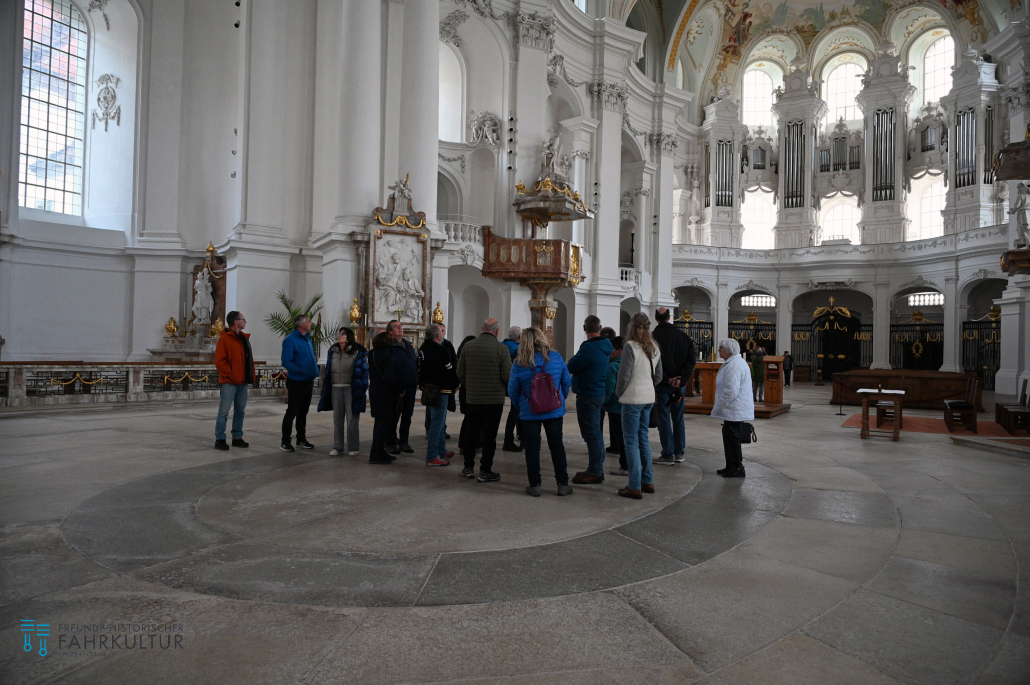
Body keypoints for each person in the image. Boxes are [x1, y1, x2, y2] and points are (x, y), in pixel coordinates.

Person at [508, 327, 573, 497]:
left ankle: (535, 485)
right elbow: (566, 382)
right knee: (557, 446)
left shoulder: (519, 362)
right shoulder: (556, 357)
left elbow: (513, 390)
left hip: (530, 411)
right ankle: (563, 484)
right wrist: (558, 399)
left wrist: (521, 406)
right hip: (554, 410)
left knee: (532, 448)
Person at [456, 318, 512, 482]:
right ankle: (485, 471)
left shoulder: (468, 346)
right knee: (489, 436)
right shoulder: (502, 349)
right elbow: (507, 376)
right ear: (497, 331)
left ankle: (468, 468)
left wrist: (471, 386)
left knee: (471, 433)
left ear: (482, 328)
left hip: (473, 398)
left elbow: (460, 373)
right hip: (494, 400)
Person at [615, 313, 663, 500]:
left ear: (632, 328)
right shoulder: (655, 347)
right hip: (648, 399)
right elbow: (658, 376)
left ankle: (634, 486)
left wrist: (619, 393)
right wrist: (647, 387)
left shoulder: (630, 346)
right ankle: (648, 481)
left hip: (632, 400)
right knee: (643, 438)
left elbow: (624, 375)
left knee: (630, 441)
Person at [568, 315, 613, 485]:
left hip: (588, 393)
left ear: (584, 328)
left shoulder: (590, 348)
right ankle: (595, 468)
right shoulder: (605, 345)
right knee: (594, 432)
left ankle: (595, 471)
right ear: (600, 328)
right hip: (597, 391)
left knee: (592, 433)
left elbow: (571, 366)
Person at [651, 307, 696, 465]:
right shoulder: (683, 337)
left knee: (663, 418)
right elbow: (691, 360)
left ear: (656, 318)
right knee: (678, 418)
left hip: (662, 385)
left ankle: (667, 454)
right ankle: (679, 453)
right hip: (678, 386)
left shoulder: (652, 338)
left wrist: (667, 379)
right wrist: (681, 379)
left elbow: (652, 363)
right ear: (669, 317)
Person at [316, 327, 368, 456]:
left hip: (351, 389)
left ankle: (353, 447)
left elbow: (363, 371)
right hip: (336, 388)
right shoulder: (333, 351)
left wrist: (362, 387)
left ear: (348, 337)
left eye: (342, 334)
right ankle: (337, 447)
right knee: (337, 420)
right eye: (339, 333)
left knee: (352, 420)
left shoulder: (356, 352)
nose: (339, 335)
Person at [712, 338, 754, 478]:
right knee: (729, 437)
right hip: (733, 407)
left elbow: (731, 390)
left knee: (733, 438)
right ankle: (731, 465)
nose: (719, 350)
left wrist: (719, 406)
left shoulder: (734, 365)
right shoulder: (733, 362)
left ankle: (737, 467)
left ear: (728, 350)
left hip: (734, 408)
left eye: (721, 348)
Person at [418, 324, 458, 467]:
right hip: (440, 390)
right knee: (436, 424)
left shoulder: (422, 349)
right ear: (438, 336)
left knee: (439, 423)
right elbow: (449, 370)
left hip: (429, 390)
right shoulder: (439, 350)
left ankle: (441, 450)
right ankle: (432, 456)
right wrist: (456, 384)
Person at [214, 310, 255, 450]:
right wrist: (232, 375)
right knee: (224, 412)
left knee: (240, 411)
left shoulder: (244, 338)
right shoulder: (224, 339)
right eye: (243, 319)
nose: (245, 321)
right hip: (229, 382)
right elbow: (220, 362)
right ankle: (220, 438)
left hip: (243, 381)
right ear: (236, 322)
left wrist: (248, 376)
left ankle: (237, 437)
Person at [280, 314, 319, 452]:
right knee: (292, 411)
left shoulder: (307, 339)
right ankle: (285, 441)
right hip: (297, 382)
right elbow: (286, 361)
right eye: (309, 321)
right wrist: (300, 370)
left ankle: (301, 439)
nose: (311, 323)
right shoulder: (290, 340)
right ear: (302, 325)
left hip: (308, 381)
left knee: (303, 412)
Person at [368, 331, 403, 464]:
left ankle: (379, 452)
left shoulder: (373, 353)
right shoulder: (387, 355)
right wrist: (400, 389)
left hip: (375, 391)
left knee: (379, 423)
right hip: (386, 393)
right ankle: (375, 455)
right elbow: (391, 376)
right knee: (383, 425)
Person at [386, 320, 418, 454]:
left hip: (410, 385)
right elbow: (391, 369)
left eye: (401, 326)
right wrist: (397, 387)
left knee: (407, 416)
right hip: (397, 388)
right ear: (390, 332)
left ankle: (404, 441)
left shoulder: (408, 345)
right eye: (396, 327)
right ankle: (391, 442)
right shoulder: (389, 347)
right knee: (393, 416)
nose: (400, 328)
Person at [425, 323, 456, 439]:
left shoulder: (447, 345)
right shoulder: (430, 348)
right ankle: (432, 436)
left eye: (443, 330)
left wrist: (454, 381)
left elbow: (453, 361)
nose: (442, 333)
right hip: (435, 386)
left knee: (441, 415)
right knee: (434, 415)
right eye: (440, 331)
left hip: (445, 385)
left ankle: (440, 438)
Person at [604, 336, 628, 476]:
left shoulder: (613, 366)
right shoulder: (633, 365)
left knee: (620, 438)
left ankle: (625, 465)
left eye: (612, 349)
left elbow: (609, 389)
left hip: (615, 407)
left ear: (620, 351)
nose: (610, 352)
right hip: (630, 406)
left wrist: (603, 402)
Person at [455, 334, 478, 461]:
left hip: (466, 391)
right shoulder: (470, 358)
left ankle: (466, 446)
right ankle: (468, 446)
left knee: (469, 420)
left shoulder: (462, 356)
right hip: (470, 392)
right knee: (471, 420)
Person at [502, 326, 523, 452]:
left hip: (503, 383)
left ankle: (516, 435)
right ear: (520, 336)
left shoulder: (502, 345)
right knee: (516, 411)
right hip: (515, 382)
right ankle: (510, 439)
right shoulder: (518, 349)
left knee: (516, 411)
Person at [599, 326, 618, 454]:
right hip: (613, 390)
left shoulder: (600, 349)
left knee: (599, 420)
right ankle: (615, 445)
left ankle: (598, 445)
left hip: (601, 387)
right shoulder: (614, 351)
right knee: (614, 420)